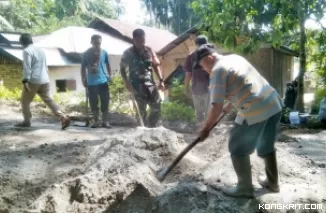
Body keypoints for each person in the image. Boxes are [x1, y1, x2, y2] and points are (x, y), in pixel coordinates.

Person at [195, 44, 283, 198]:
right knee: (266, 144)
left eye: (202, 65)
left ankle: (244, 188)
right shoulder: (235, 58)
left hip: (255, 108)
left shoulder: (217, 70)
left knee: (237, 146)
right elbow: (245, 83)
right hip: (273, 103)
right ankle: (272, 182)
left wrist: (206, 128)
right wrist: (230, 105)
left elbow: (216, 105)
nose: (203, 69)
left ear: (209, 58)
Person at [15, 33, 70, 129]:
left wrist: (25, 81)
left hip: (33, 80)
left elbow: (27, 67)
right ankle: (63, 116)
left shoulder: (27, 51)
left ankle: (27, 121)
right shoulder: (41, 50)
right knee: (48, 100)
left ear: (23, 43)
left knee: (25, 101)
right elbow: (45, 65)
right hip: (44, 79)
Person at [120, 28, 165, 128]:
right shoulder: (128, 53)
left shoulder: (149, 50)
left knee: (156, 105)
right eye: (139, 41)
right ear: (134, 39)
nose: (141, 43)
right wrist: (126, 82)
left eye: (143, 40)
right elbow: (122, 69)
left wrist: (161, 81)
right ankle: (142, 129)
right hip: (136, 85)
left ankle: (152, 126)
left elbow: (156, 66)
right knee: (141, 110)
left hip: (150, 83)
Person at [81, 34, 112, 128]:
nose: (97, 45)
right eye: (95, 43)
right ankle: (96, 121)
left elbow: (108, 64)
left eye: (99, 43)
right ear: (91, 42)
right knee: (93, 103)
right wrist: (83, 79)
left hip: (103, 81)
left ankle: (105, 121)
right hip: (91, 83)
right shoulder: (86, 54)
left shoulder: (104, 52)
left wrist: (109, 76)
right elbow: (82, 68)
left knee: (105, 102)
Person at [184, 35, 210, 127]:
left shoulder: (193, 56)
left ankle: (204, 129)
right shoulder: (192, 56)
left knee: (202, 111)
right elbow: (188, 73)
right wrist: (186, 87)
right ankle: (204, 129)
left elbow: (188, 74)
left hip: (205, 88)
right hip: (204, 88)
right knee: (204, 111)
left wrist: (186, 86)